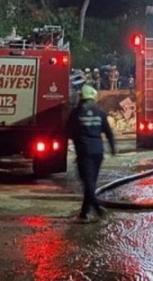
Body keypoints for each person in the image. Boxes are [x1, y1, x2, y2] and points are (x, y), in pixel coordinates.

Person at [67, 85, 117, 222]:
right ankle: (83, 214)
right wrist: (113, 148)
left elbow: (68, 131)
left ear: (81, 98)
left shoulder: (76, 113)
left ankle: (97, 208)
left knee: (87, 183)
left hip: (84, 152)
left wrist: (78, 138)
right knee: (91, 183)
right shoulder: (100, 113)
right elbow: (108, 132)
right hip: (98, 152)